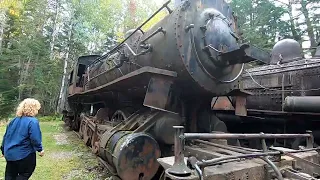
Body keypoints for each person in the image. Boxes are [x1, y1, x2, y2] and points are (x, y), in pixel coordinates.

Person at [1, 98, 45, 180]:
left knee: (10, 175)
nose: (37, 111)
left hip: (10, 154)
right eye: (37, 109)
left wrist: (3, 150)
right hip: (24, 154)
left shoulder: (13, 120)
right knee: (26, 172)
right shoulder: (33, 121)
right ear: (33, 109)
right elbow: (35, 139)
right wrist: (40, 149)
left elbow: (6, 137)